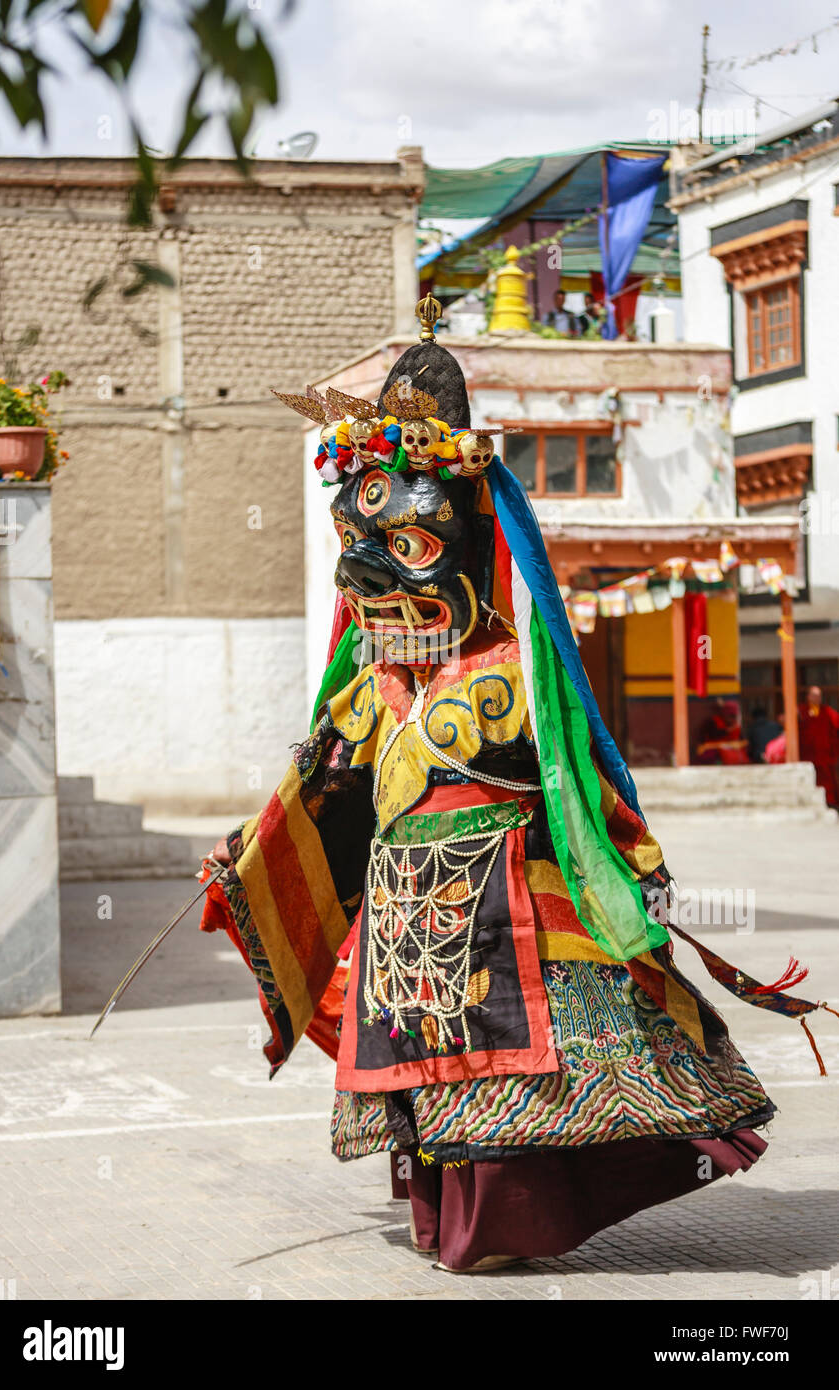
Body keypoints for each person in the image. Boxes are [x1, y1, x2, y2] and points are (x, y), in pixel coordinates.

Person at [199, 300, 833, 1273]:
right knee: (422, 1088)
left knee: (504, 1089)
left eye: (411, 551)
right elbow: (321, 791)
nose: (375, 584)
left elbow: (576, 781)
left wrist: (624, 868)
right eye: (359, 556)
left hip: (498, 907)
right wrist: (250, 857)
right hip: (405, 928)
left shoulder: (511, 671)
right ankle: (437, 1216)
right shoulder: (370, 689)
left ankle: (499, 1229)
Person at [799, 684, 839, 808]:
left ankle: (830, 801)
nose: (817, 698)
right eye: (814, 695)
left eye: (819, 696)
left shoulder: (827, 711)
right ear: (808, 697)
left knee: (827, 780)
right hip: (807, 753)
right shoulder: (801, 711)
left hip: (824, 754)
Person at [695, 698, 750, 765]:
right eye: (730, 716)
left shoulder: (736, 726)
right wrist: (728, 731)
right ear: (723, 714)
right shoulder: (712, 723)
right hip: (713, 759)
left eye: (734, 716)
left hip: (733, 761)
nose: (732, 719)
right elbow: (708, 739)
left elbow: (743, 741)